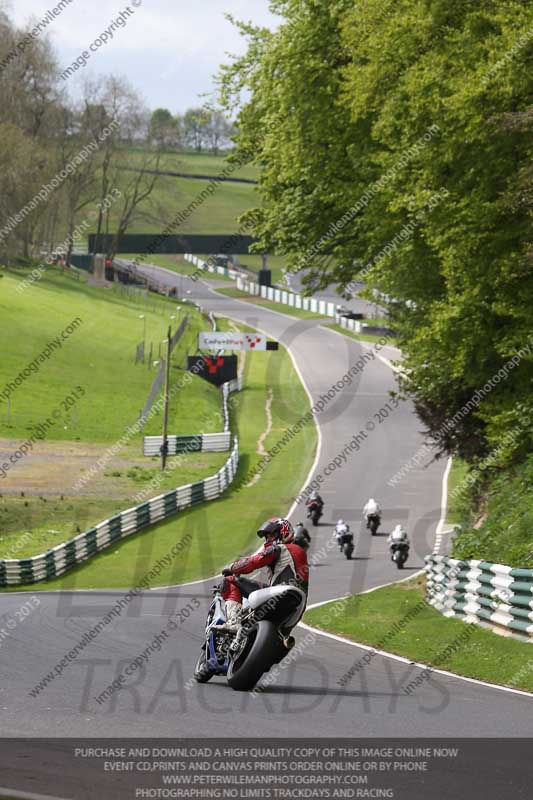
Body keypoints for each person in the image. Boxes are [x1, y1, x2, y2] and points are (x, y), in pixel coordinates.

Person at [218, 518, 309, 632]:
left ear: (284, 533)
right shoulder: (299, 551)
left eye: (272, 535)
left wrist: (232, 567)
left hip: (281, 594)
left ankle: (233, 623)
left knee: (230, 580)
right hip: (297, 608)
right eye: (267, 536)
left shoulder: (280, 548)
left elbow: (253, 562)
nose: (269, 539)